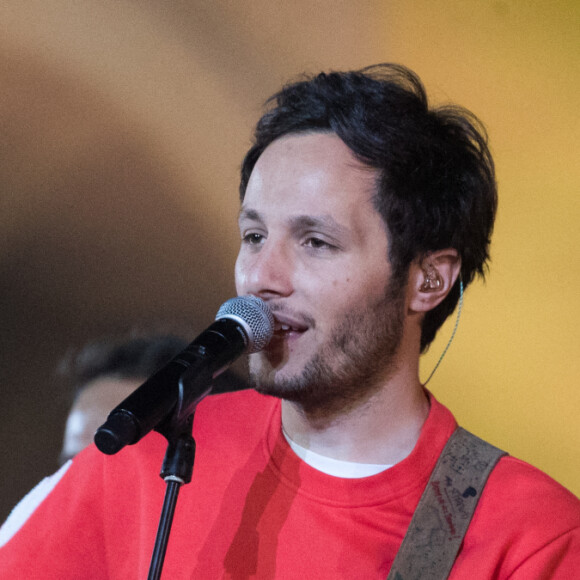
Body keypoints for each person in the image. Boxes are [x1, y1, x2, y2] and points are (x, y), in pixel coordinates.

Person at [0, 64, 578, 578]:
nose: (260, 276)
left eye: (316, 242)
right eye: (253, 236)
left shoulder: (527, 536)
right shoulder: (144, 454)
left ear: (429, 279)